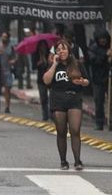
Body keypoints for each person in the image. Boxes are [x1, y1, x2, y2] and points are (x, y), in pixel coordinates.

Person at [43, 39, 90, 170]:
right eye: (58, 50)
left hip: (74, 99)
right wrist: (54, 64)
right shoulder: (54, 65)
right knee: (61, 131)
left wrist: (82, 82)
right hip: (58, 100)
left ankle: (77, 161)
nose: (61, 51)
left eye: (64, 49)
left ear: (69, 50)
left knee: (75, 130)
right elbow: (46, 81)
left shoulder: (77, 64)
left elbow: (87, 81)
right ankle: (63, 161)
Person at [86, 30, 111, 130]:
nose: (103, 41)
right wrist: (105, 56)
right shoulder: (93, 48)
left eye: (104, 38)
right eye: (101, 39)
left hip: (109, 78)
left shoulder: (110, 47)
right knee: (99, 101)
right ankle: (99, 122)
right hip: (97, 79)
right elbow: (94, 61)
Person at [0, 32, 16, 114]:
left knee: (7, 89)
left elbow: (15, 57)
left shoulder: (11, 47)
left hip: (7, 71)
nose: (3, 38)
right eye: (2, 36)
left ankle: (7, 107)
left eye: (5, 37)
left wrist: (13, 61)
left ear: (8, 38)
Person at [34, 39, 52, 121]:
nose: (42, 47)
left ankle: (51, 114)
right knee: (43, 98)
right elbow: (33, 66)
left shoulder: (49, 54)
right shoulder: (36, 55)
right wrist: (39, 62)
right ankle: (45, 115)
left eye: (44, 46)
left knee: (51, 98)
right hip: (41, 79)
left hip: (49, 78)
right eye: (41, 46)